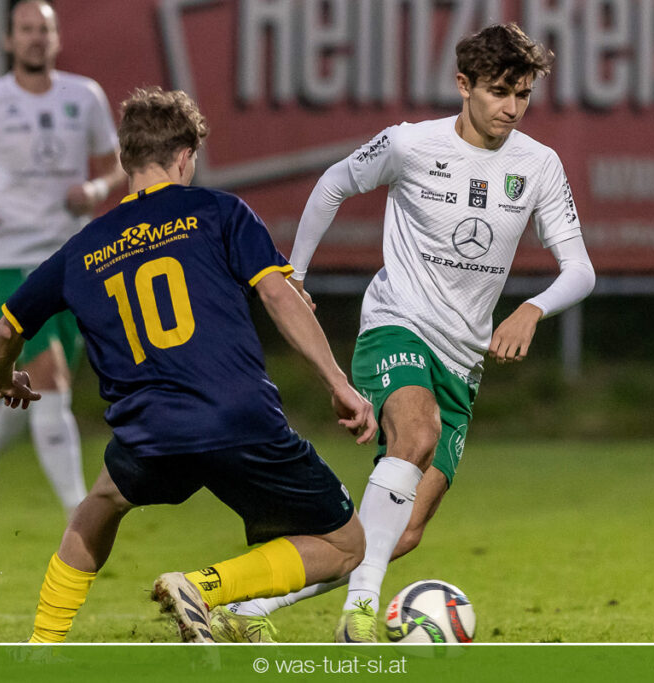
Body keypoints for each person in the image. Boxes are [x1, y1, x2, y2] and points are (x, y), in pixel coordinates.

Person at [214, 23, 596, 643]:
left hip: (463, 359)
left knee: (402, 530)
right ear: (463, 85)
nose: (512, 108)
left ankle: (246, 608)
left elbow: (579, 269)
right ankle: (359, 615)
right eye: (499, 91)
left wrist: (533, 309)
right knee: (417, 434)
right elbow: (333, 184)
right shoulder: (409, 144)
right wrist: (296, 272)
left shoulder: (539, 165)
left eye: (523, 94)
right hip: (397, 325)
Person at [0, 85, 376, 643]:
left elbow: (7, 329)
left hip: (150, 430)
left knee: (101, 503)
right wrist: (338, 383)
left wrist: (3, 379)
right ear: (186, 157)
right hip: (236, 416)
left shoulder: (82, 250)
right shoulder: (218, 212)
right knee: (345, 544)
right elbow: (278, 295)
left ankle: (43, 645)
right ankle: (204, 587)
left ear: (125, 160)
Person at [0, 0, 125, 520]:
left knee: (43, 383)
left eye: (44, 29)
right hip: (9, 256)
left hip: (72, 256)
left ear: (57, 38)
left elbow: (116, 167)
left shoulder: (84, 96)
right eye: (26, 29)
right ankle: (78, 513)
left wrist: (94, 189)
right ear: (9, 40)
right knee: (50, 375)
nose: (36, 37)